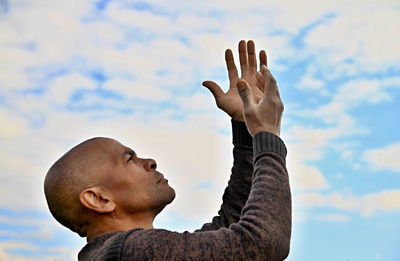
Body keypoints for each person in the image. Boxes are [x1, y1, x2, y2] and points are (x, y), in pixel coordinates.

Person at [44, 40, 292, 260]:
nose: (149, 161)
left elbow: (232, 225)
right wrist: (266, 135)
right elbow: (260, 243)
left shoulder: (124, 253)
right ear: (98, 199)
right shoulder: (129, 251)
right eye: (129, 159)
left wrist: (245, 127)